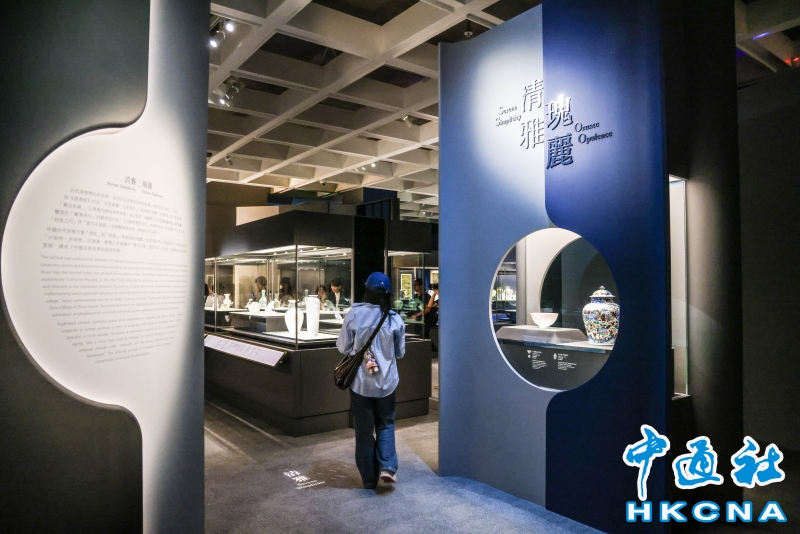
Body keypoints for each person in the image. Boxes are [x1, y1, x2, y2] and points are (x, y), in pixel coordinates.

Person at [336, 272, 405, 489]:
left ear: (366, 290)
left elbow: (343, 347)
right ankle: (387, 467)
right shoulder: (394, 318)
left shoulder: (354, 315)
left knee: (364, 431)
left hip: (361, 384)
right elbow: (400, 352)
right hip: (386, 383)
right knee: (386, 423)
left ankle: (368, 479)